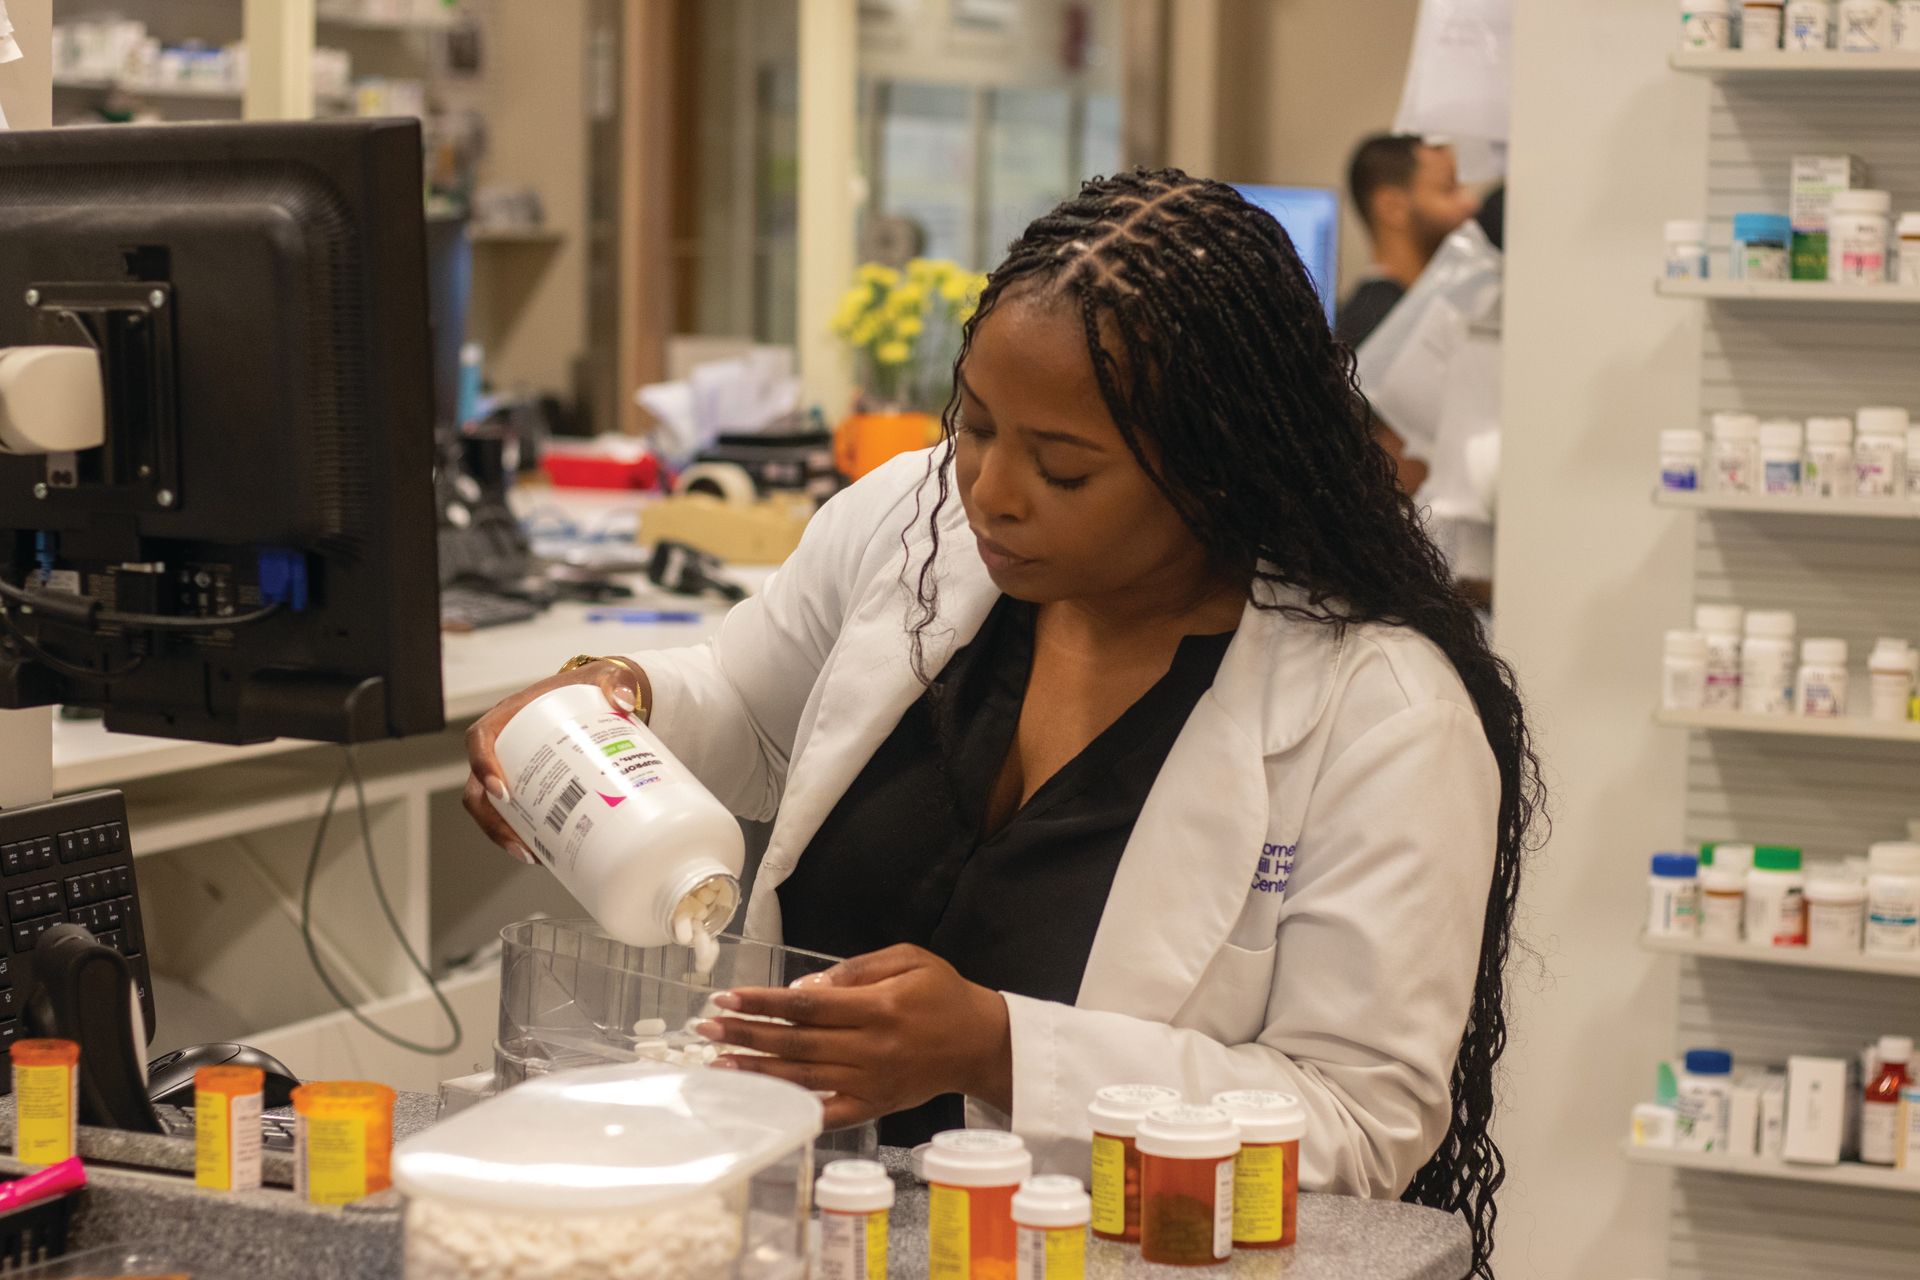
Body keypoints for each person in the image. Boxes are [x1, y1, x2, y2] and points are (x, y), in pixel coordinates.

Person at [464, 170, 1540, 1277]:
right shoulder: (915, 521)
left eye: (1063, 467)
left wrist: (1000, 1047)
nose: (990, 490)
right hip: (809, 1225)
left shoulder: (1381, 713)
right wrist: (608, 701)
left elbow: (1359, 1118)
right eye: (975, 424)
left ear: (1221, 473)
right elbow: (744, 699)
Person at [1335, 134, 1480, 350]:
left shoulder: (1423, 310)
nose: (1471, 203)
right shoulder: (1378, 330)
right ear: (1392, 207)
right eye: (1449, 189)